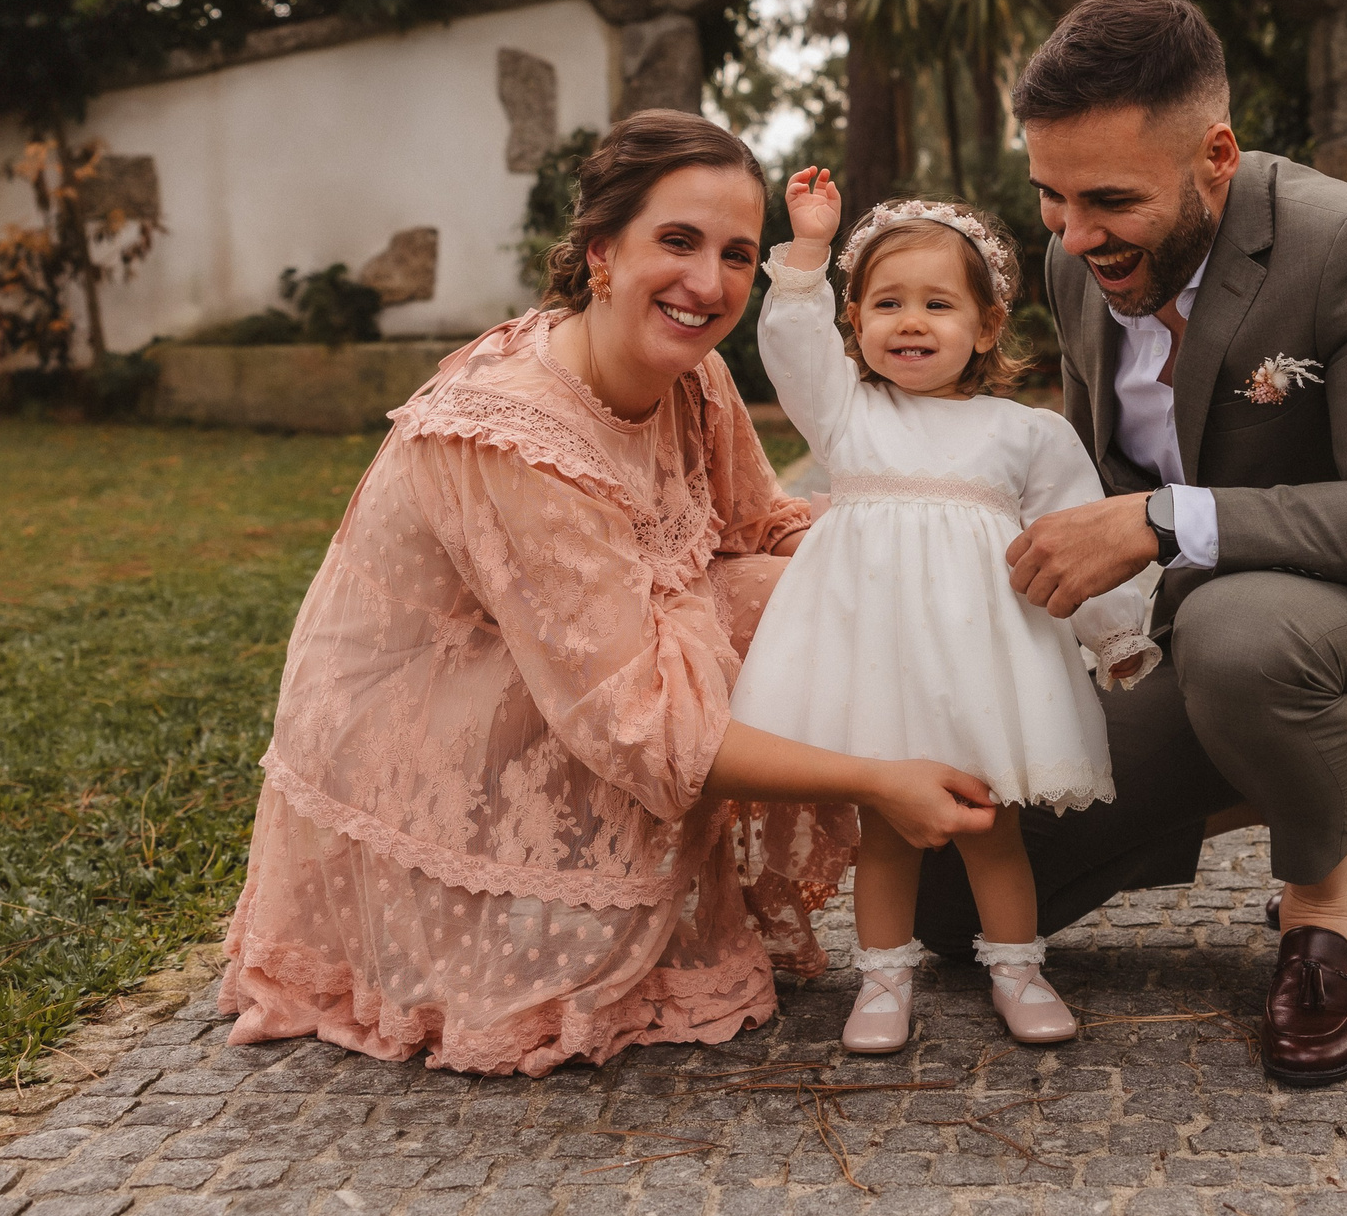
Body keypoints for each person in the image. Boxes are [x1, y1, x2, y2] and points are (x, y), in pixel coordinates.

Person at [218, 111, 996, 1077]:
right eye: (677, 241)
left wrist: (958, 558)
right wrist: (879, 775)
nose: (708, 284)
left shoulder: (694, 374)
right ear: (600, 252)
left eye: (739, 254)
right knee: (747, 612)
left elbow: (763, 528)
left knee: (796, 584)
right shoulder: (515, 432)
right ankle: (515, 914)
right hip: (435, 736)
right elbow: (637, 722)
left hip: (580, 681)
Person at [915, 0, 1347, 1088]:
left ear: (1215, 154)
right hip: (1225, 646)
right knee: (955, 898)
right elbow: (1085, 488)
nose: (1074, 239)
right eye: (1050, 198)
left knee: (1238, 631)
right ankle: (1300, 766)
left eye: (1109, 201)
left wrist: (1163, 518)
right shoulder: (1081, 265)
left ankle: (1326, 904)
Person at [730, 172, 1158, 1056]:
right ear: (855, 322)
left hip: (980, 663)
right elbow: (792, 346)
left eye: (936, 303)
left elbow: (1071, 537)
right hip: (873, 655)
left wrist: (1115, 632)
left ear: (987, 325)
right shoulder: (847, 417)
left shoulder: (1027, 432)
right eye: (886, 303)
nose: (911, 321)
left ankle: (1018, 969)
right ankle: (883, 978)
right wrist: (808, 253)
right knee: (883, 828)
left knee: (992, 826)